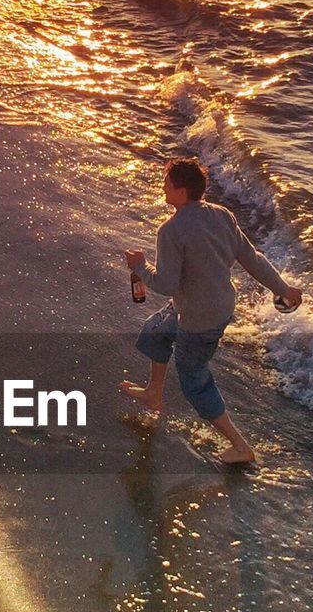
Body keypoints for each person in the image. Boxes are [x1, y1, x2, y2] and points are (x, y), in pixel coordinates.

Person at [121, 158, 302, 465]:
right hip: (214, 304)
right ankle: (154, 392)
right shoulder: (221, 215)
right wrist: (281, 288)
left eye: (167, 183)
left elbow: (165, 283)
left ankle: (240, 447)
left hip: (198, 320)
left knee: (194, 380)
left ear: (180, 191)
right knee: (156, 332)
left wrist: (139, 267)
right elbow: (251, 257)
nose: (163, 187)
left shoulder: (172, 230)